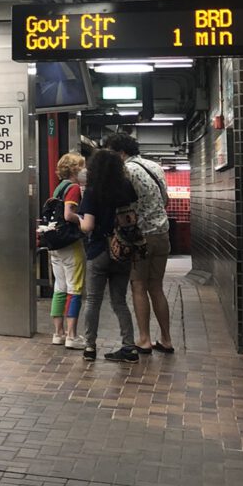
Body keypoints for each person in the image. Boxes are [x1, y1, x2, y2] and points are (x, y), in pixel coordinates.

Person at [104, 132, 174, 354]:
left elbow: (121, 205)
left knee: (138, 286)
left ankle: (143, 339)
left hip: (140, 237)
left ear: (121, 152)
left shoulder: (127, 171)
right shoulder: (155, 167)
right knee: (157, 287)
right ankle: (166, 339)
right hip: (162, 233)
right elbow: (166, 200)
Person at [77, 148, 139, 362]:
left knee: (93, 301)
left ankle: (90, 347)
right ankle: (129, 347)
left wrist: (77, 219)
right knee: (119, 301)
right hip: (122, 249)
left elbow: (88, 225)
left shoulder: (93, 190)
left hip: (99, 250)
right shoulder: (126, 188)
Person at [46, 153, 87, 349]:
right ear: (74, 170)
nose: (84, 170)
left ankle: (58, 333)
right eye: (82, 166)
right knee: (75, 289)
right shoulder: (73, 188)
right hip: (70, 244)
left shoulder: (59, 187)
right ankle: (72, 336)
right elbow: (68, 214)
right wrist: (84, 221)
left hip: (55, 244)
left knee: (59, 288)